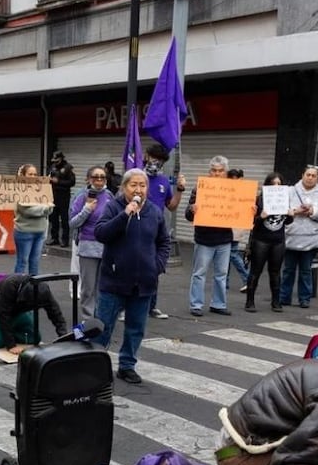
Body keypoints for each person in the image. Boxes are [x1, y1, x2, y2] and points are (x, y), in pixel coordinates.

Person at [93, 168, 172, 384]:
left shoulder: (155, 212)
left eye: (143, 185)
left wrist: (157, 265)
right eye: (133, 185)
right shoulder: (113, 207)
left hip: (144, 282)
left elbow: (164, 242)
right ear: (124, 187)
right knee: (103, 326)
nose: (138, 189)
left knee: (136, 328)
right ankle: (94, 365)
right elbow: (101, 233)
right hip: (114, 280)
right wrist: (125, 213)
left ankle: (127, 365)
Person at [185, 156, 234, 317]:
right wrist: (193, 209)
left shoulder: (233, 190)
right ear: (209, 171)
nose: (217, 174)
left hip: (224, 239)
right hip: (204, 239)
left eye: (220, 171)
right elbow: (188, 215)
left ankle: (218, 304)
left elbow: (239, 212)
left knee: (221, 274)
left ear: (225, 173)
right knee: (199, 273)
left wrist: (251, 211)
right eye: (214, 170)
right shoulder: (200, 189)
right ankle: (196, 305)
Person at [142, 143, 187, 319]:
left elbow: (172, 205)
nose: (156, 162)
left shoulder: (163, 181)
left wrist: (180, 189)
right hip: (136, 230)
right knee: (133, 268)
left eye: (160, 160)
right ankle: (126, 306)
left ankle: (151, 306)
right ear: (146, 156)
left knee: (154, 269)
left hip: (156, 232)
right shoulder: (136, 177)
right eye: (153, 158)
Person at [0, 273, 69, 353]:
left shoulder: (43, 290)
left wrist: (63, 336)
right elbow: (3, 315)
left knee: (34, 339)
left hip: (17, 311)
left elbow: (56, 314)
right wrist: (11, 345)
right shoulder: (10, 285)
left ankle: (6, 331)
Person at [279, 165, 318, 308]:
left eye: (313, 176)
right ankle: (284, 297)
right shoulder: (290, 191)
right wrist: (295, 211)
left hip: (311, 239)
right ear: (302, 175)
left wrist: (313, 211)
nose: (310, 178)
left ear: (317, 178)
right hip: (291, 237)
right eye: (308, 175)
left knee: (305, 270)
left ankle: (304, 298)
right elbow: (279, 208)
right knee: (288, 270)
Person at [245, 172, 292, 313]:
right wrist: (260, 216)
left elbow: (287, 222)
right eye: (273, 184)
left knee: (276, 272)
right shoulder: (259, 200)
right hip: (261, 240)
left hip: (278, 240)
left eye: (279, 183)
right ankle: (250, 301)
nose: (276, 186)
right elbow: (252, 222)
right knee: (255, 271)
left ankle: (276, 301)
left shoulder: (285, 199)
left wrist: (290, 215)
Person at [69, 166, 111, 321]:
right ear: (88, 179)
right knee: (88, 288)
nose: (99, 180)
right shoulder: (81, 196)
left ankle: (101, 318)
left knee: (103, 286)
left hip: (106, 247)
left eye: (102, 177)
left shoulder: (109, 196)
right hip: (88, 246)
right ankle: (88, 319)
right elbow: (72, 223)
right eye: (95, 177)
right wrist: (87, 209)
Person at [12, 163, 51, 276]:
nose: (33, 176)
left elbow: (51, 209)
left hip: (40, 231)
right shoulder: (18, 190)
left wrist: (45, 208)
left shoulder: (42, 189)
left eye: (35, 174)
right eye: (30, 174)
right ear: (23, 175)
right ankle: (18, 288)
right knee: (22, 262)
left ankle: (34, 289)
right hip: (24, 232)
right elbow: (26, 210)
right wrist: (44, 208)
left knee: (35, 262)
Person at [226, 168, 251, 294]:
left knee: (232, 254)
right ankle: (224, 282)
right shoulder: (239, 190)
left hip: (234, 228)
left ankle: (248, 279)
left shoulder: (241, 191)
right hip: (229, 227)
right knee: (227, 256)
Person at [46, 151, 77, 247]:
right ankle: (54, 238)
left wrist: (58, 181)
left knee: (64, 219)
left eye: (57, 160)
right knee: (53, 218)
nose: (55, 162)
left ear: (61, 158)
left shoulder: (68, 168)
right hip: (53, 196)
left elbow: (72, 182)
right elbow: (50, 178)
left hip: (63, 197)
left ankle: (65, 240)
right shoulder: (53, 167)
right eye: (54, 160)